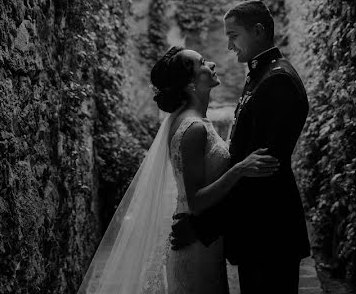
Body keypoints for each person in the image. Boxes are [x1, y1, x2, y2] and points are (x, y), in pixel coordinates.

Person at [78, 45, 278, 294]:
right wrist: (239, 170)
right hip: (195, 247)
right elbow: (195, 202)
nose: (212, 64)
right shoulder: (193, 128)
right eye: (202, 63)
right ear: (190, 84)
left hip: (204, 239)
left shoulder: (193, 119)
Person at [171, 0, 311, 294]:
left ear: (257, 31)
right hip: (257, 231)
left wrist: (201, 228)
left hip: (269, 230)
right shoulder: (262, 74)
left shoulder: (277, 80)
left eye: (234, 35)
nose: (229, 45)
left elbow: (258, 174)